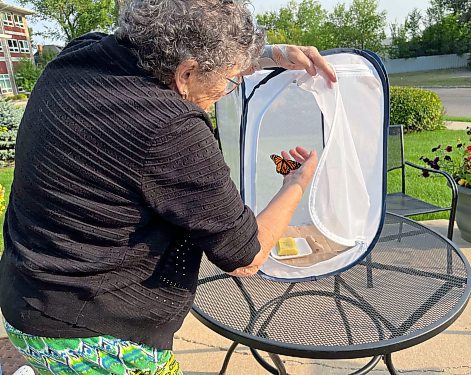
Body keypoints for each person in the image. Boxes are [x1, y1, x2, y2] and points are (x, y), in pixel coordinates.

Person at [0, 0, 336, 374]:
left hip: (23, 299)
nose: (228, 88)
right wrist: (295, 182)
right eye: (230, 80)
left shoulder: (80, 55)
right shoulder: (172, 127)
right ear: (186, 73)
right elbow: (246, 256)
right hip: (93, 338)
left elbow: (188, 48)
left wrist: (274, 55)